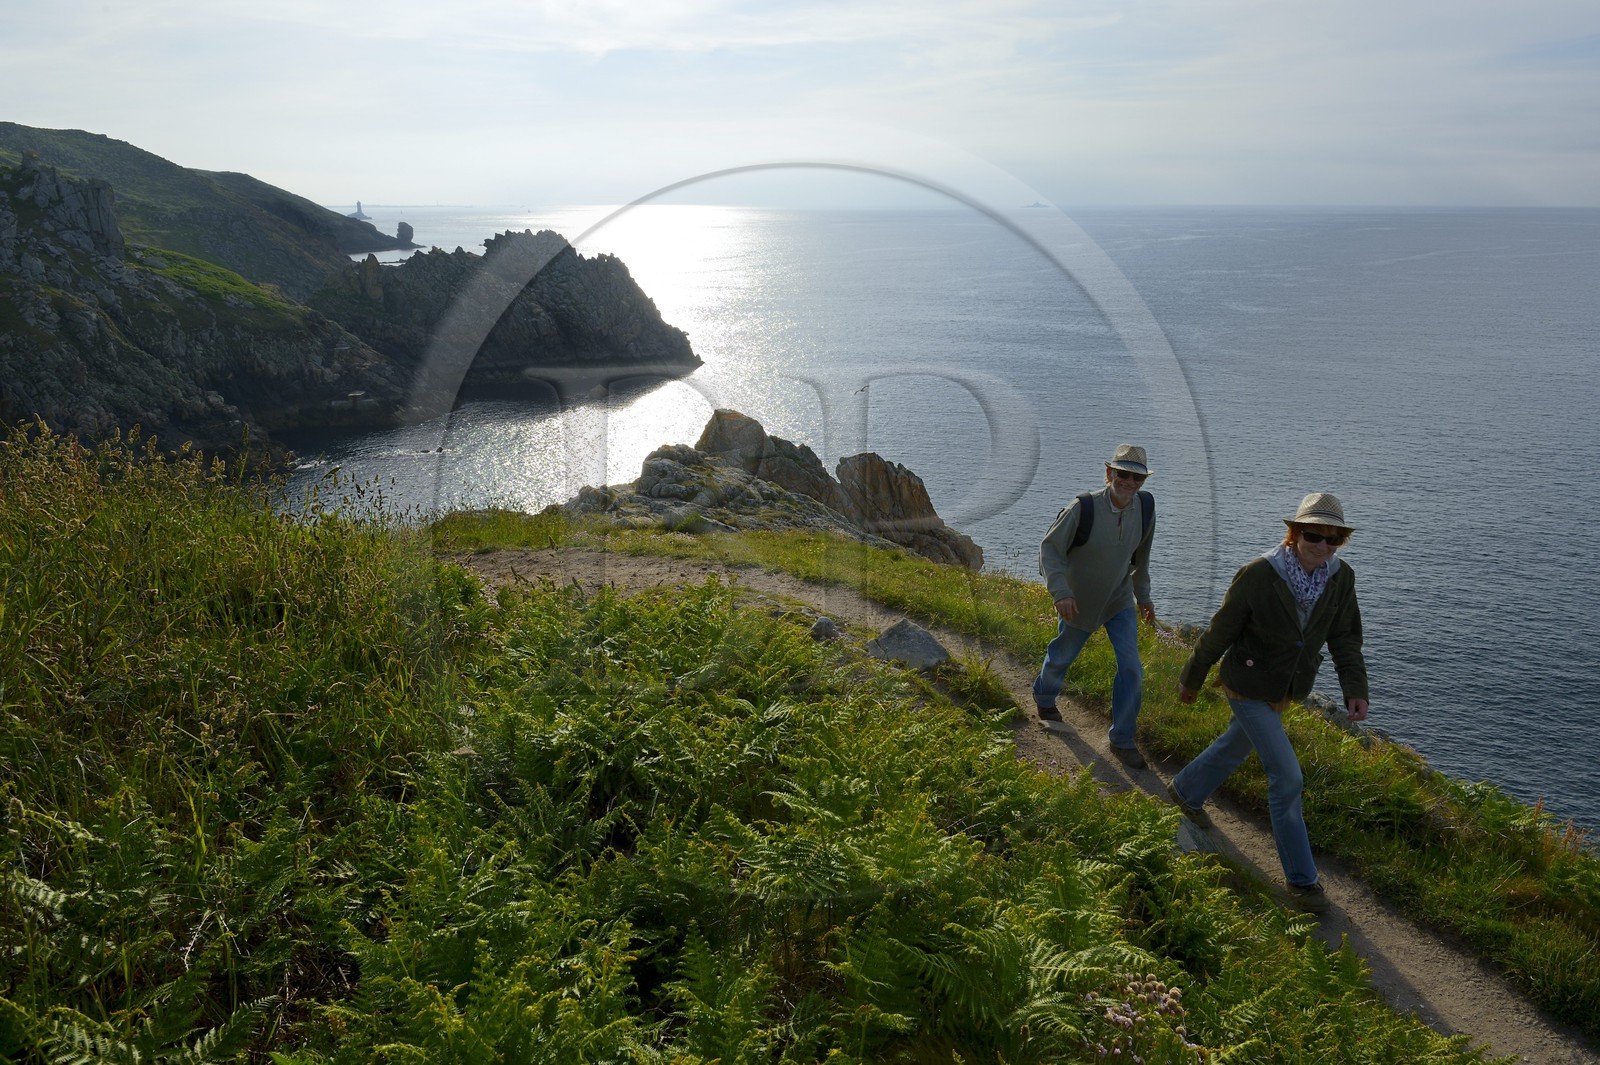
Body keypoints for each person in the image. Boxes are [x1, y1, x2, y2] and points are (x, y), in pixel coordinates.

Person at [1166, 492, 1370, 915]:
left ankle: (1185, 791)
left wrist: (1355, 688)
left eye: (1334, 540)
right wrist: (1192, 677)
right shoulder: (1259, 574)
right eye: (1315, 536)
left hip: (1287, 687)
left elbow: (1346, 638)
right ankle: (1302, 881)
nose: (1324, 547)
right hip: (1246, 683)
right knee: (1288, 778)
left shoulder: (1340, 577)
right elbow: (1220, 632)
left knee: (1235, 745)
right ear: (1294, 533)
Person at [1033, 444, 1158, 768]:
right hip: (1078, 601)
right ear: (1109, 474)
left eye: (1137, 478)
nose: (1129, 483)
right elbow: (1050, 550)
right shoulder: (1083, 508)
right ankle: (1044, 699)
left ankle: (1122, 739)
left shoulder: (1145, 507)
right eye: (1123, 475)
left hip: (1118, 599)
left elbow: (1141, 559)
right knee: (1062, 657)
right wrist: (1061, 592)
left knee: (1131, 667)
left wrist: (1142, 597)